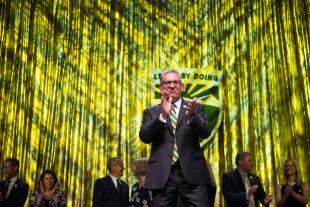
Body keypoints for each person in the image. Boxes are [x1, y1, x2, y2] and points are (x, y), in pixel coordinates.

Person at [139, 70, 212, 207]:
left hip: (192, 174)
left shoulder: (195, 108)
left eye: (175, 82)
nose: (172, 86)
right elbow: (144, 137)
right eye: (167, 82)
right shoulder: (151, 112)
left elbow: (206, 132)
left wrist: (192, 117)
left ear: (181, 86)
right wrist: (162, 116)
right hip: (162, 175)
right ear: (161, 88)